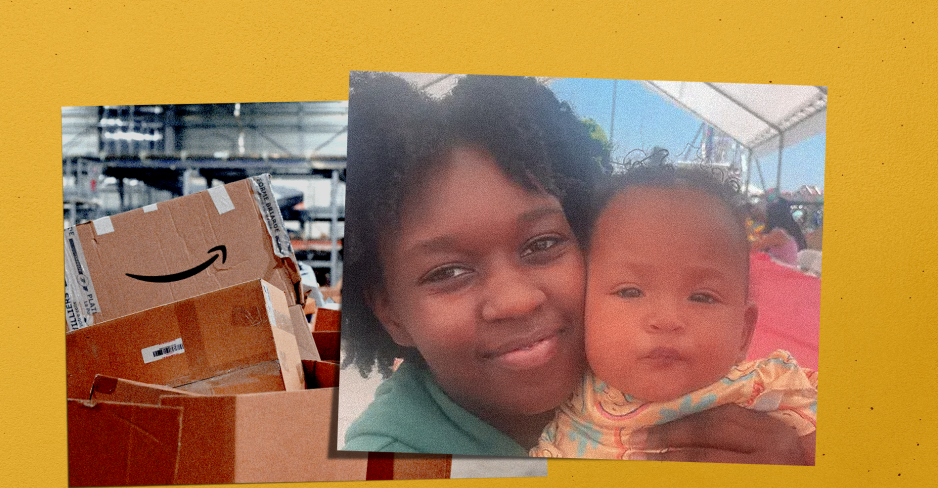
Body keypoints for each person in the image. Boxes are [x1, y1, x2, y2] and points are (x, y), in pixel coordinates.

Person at [340, 72, 812, 464]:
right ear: (390, 312)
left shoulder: (654, 358)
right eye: (446, 272)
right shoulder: (387, 464)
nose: (516, 300)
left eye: (543, 243)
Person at [530, 165, 817, 463]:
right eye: (630, 291)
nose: (666, 320)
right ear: (583, 306)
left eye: (702, 297)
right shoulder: (565, 383)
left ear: (743, 333)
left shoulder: (765, 388)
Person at [751, 197, 808, 265]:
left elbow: (752, 248)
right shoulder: (787, 231)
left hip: (782, 271)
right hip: (786, 269)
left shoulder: (778, 234)